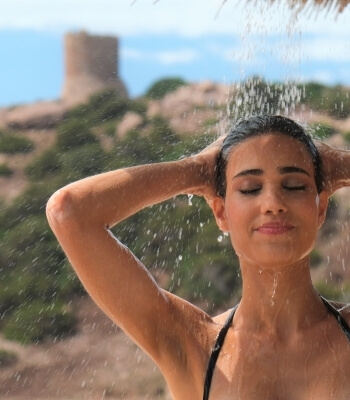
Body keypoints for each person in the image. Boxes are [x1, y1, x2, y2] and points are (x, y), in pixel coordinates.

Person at [46, 114, 350, 400]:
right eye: (249, 188)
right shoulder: (195, 346)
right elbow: (70, 212)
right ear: (221, 212)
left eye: (294, 185)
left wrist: (341, 165)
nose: (272, 203)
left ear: (321, 208)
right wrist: (196, 170)